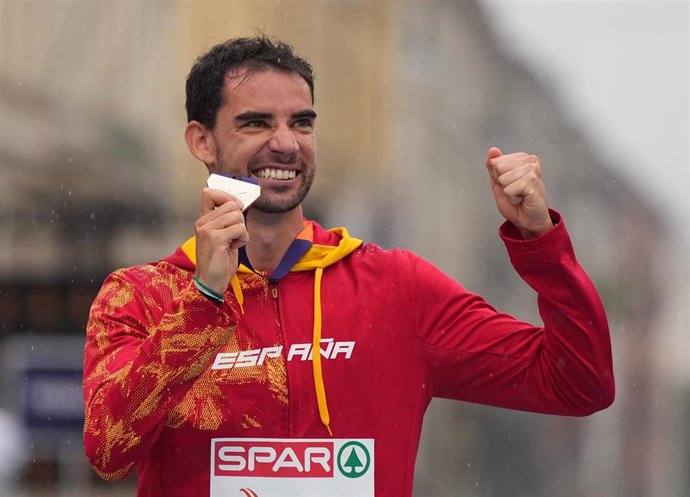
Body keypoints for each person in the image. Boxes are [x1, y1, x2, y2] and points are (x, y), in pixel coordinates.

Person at [83, 35, 614, 497]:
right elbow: (108, 449)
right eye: (256, 123)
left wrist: (541, 244)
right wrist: (205, 299)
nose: (286, 143)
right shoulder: (142, 296)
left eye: (302, 122)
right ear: (201, 140)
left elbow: (579, 384)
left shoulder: (395, 288)